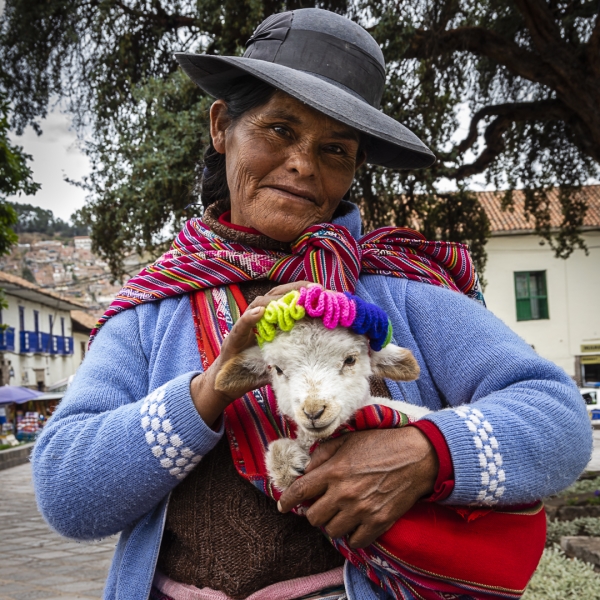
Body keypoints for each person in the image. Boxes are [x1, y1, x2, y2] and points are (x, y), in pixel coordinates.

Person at [32, 8, 592, 600]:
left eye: (335, 150)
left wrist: (424, 452)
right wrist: (213, 388)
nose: (303, 163)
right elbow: (68, 493)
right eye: (279, 130)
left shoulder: (400, 288)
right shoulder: (151, 312)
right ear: (222, 126)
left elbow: (558, 418)